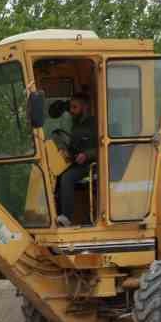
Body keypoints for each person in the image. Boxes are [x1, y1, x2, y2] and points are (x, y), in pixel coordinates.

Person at [56, 90, 97, 223]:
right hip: (77, 163)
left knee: (67, 177)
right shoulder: (75, 125)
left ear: (84, 107)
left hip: (92, 165)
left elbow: (103, 148)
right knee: (56, 174)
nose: (71, 111)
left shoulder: (95, 124)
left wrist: (87, 154)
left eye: (75, 107)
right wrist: (64, 149)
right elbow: (74, 146)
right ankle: (56, 215)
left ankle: (66, 217)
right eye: (71, 107)